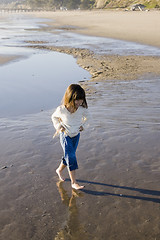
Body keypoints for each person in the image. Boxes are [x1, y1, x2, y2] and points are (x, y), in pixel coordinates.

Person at [51, 84, 89, 190]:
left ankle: (59, 170)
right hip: (65, 135)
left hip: (76, 135)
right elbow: (54, 117)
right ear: (70, 98)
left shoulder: (81, 109)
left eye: (81, 100)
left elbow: (89, 117)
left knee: (69, 155)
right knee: (71, 156)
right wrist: (59, 126)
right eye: (77, 100)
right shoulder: (62, 109)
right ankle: (74, 182)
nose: (80, 103)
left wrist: (83, 126)